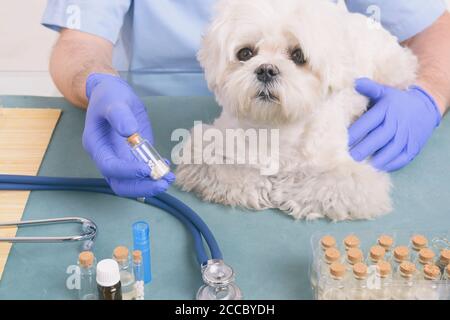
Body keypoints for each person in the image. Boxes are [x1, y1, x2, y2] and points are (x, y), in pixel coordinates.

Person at [42, 0, 450, 198]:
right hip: (152, 123)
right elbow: (78, 43)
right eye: (247, 54)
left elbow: (436, 29)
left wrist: (428, 94)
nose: (267, 67)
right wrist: (96, 82)